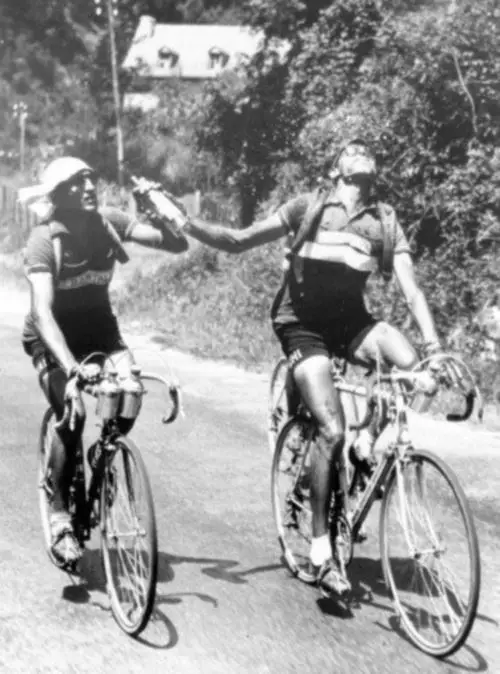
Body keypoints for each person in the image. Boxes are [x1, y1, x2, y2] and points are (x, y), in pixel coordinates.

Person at [158, 138, 443, 596]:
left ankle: (367, 437)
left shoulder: (383, 221)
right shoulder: (307, 207)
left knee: (410, 365)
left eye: (368, 149)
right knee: (331, 429)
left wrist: (434, 347)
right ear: (336, 169)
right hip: (301, 324)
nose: (362, 149)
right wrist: (183, 221)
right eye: (352, 148)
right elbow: (238, 241)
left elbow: (412, 291)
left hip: (351, 323)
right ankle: (320, 546)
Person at [19, 156, 188, 566]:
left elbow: (177, 243)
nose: (90, 187)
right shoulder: (45, 239)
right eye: (77, 183)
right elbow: (42, 314)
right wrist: (73, 370)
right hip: (52, 340)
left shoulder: (108, 221)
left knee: (132, 392)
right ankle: (60, 518)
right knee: (72, 414)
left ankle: (104, 452)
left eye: (91, 178)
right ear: (58, 195)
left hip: (100, 334)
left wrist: (156, 209)